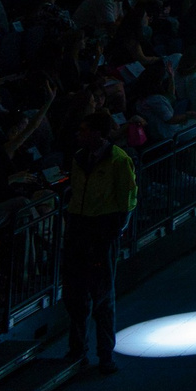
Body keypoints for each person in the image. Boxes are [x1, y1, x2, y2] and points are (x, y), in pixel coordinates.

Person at [63, 113, 137, 375]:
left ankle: (105, 354)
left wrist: (114, 231)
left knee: (103, 295)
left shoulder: (118, 159)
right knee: (76, 294)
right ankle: (77, 350)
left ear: (97, 133)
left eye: (83, 129)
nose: (79, 134)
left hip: (101, 231)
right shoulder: (79, 158)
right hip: (79, 228)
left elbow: (128, 198)